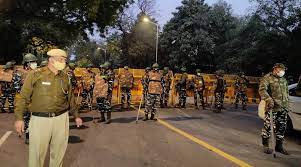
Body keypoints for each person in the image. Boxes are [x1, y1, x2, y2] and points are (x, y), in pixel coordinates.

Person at [14, 48, 83, 167]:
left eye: (64, 60)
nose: (63, 62)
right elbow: (23, 97)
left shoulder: (65, 77)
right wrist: (19, 118)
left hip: (61, 119)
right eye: (60, 59)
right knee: (37, 155)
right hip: (40, 120)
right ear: (51, 60)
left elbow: (70, 98)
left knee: (58, 154)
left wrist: (76, 116)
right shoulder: (36, 74)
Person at [259, 63, 289, 155]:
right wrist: (269, 99)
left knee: (282, 127)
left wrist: (287, 105)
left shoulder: (283, 79)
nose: (282, 71)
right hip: (272, 107)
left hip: (283, 108)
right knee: (268, 127)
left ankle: (279, 146)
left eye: (283, 70)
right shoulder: (267, 78)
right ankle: (266, 145)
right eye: (281, 69)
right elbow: (262, 90)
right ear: (275, 69)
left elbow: (286, 92)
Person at [17, 53, 38, 144]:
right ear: (27, 64)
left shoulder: (37, 73)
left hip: (36, 102)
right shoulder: (20, 74)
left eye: (35, 62)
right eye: (32, 62)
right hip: (26, 101)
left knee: (37, 120)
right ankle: (28, 137)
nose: (35, 63)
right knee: (27, 119)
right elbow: (16, 88)